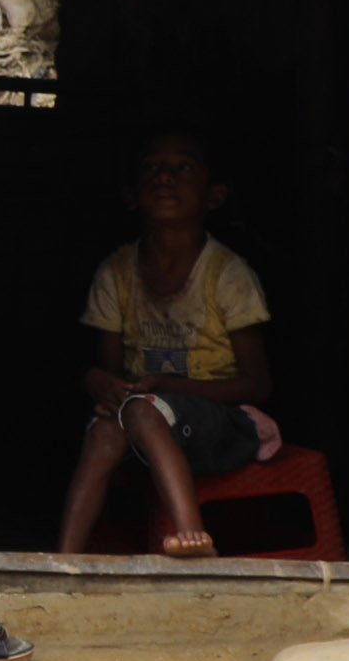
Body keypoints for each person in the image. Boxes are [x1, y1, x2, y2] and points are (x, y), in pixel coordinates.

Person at [56, 131, 275, 559]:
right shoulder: (116, 273)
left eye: (183, 167)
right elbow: (116, 378)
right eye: (152, 168)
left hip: (225, 428)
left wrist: (170, 388)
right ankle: (63, 560)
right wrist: (101, 382)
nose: (165, 178)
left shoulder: (227, 275)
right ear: (131, 195)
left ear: (214, 196)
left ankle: (193, 535)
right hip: (145, 424)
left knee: (141, 409)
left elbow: (258, 385)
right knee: (105, 430)